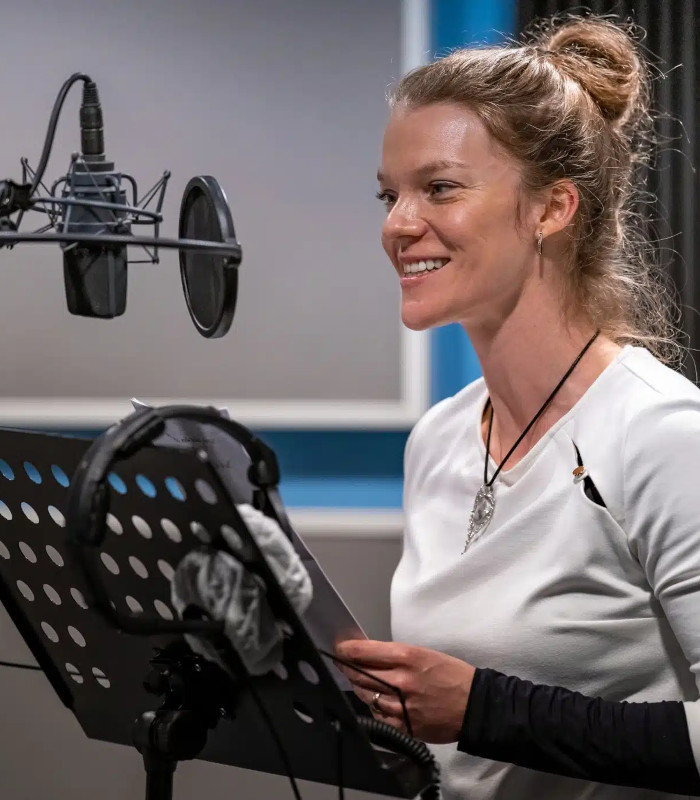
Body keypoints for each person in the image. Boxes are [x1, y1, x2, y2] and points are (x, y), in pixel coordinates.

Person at [335, 13, 700, 800]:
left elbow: (477, 713)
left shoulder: (664, 437)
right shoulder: (436, 438)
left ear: (552, 208)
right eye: (389, 194)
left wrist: (487, 710)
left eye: (439, 188)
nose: (398, 224)